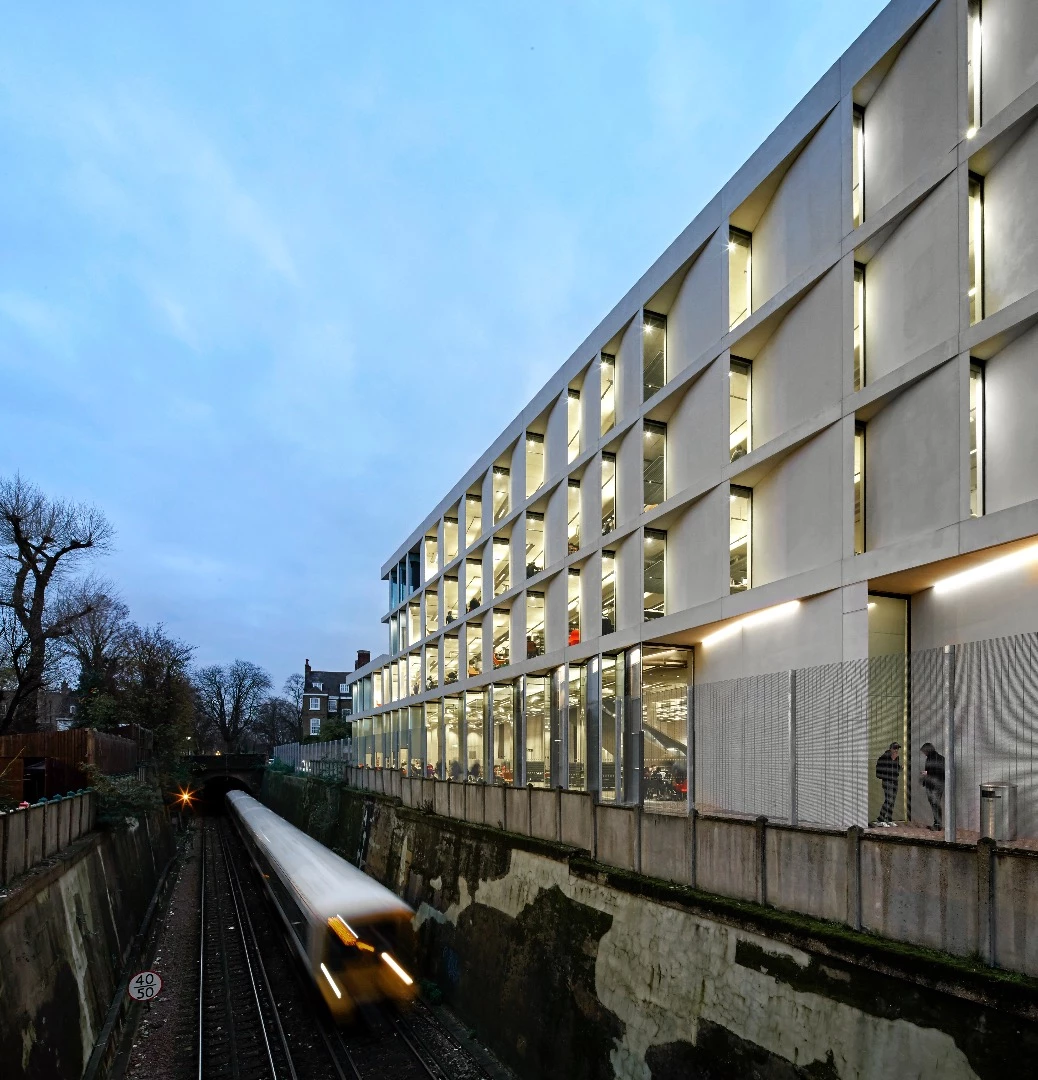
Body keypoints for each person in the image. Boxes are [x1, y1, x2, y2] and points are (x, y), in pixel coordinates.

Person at [873, 743, 901, 826]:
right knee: (889, 800)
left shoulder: (896, 757)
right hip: (887, 781)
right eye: (895, 748)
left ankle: (889, 819)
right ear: (890, 748)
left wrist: (899, 768)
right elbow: (880, 771)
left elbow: (895, 769)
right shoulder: (883, 758)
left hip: (894, 780)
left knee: (892, 800)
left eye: (897, 749)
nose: (896, 750)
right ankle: (880, 819)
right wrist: (892, 760)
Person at [920, 742, 945, 831]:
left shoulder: (937, 759)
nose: (924, 754)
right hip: (932, 784)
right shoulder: (933, 758)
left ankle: (938, 824)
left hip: (935, 785)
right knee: (934, 804)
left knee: (935, 804)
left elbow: (940, 772)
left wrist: (927, 773)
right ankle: (936, 823)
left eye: (924, 752)